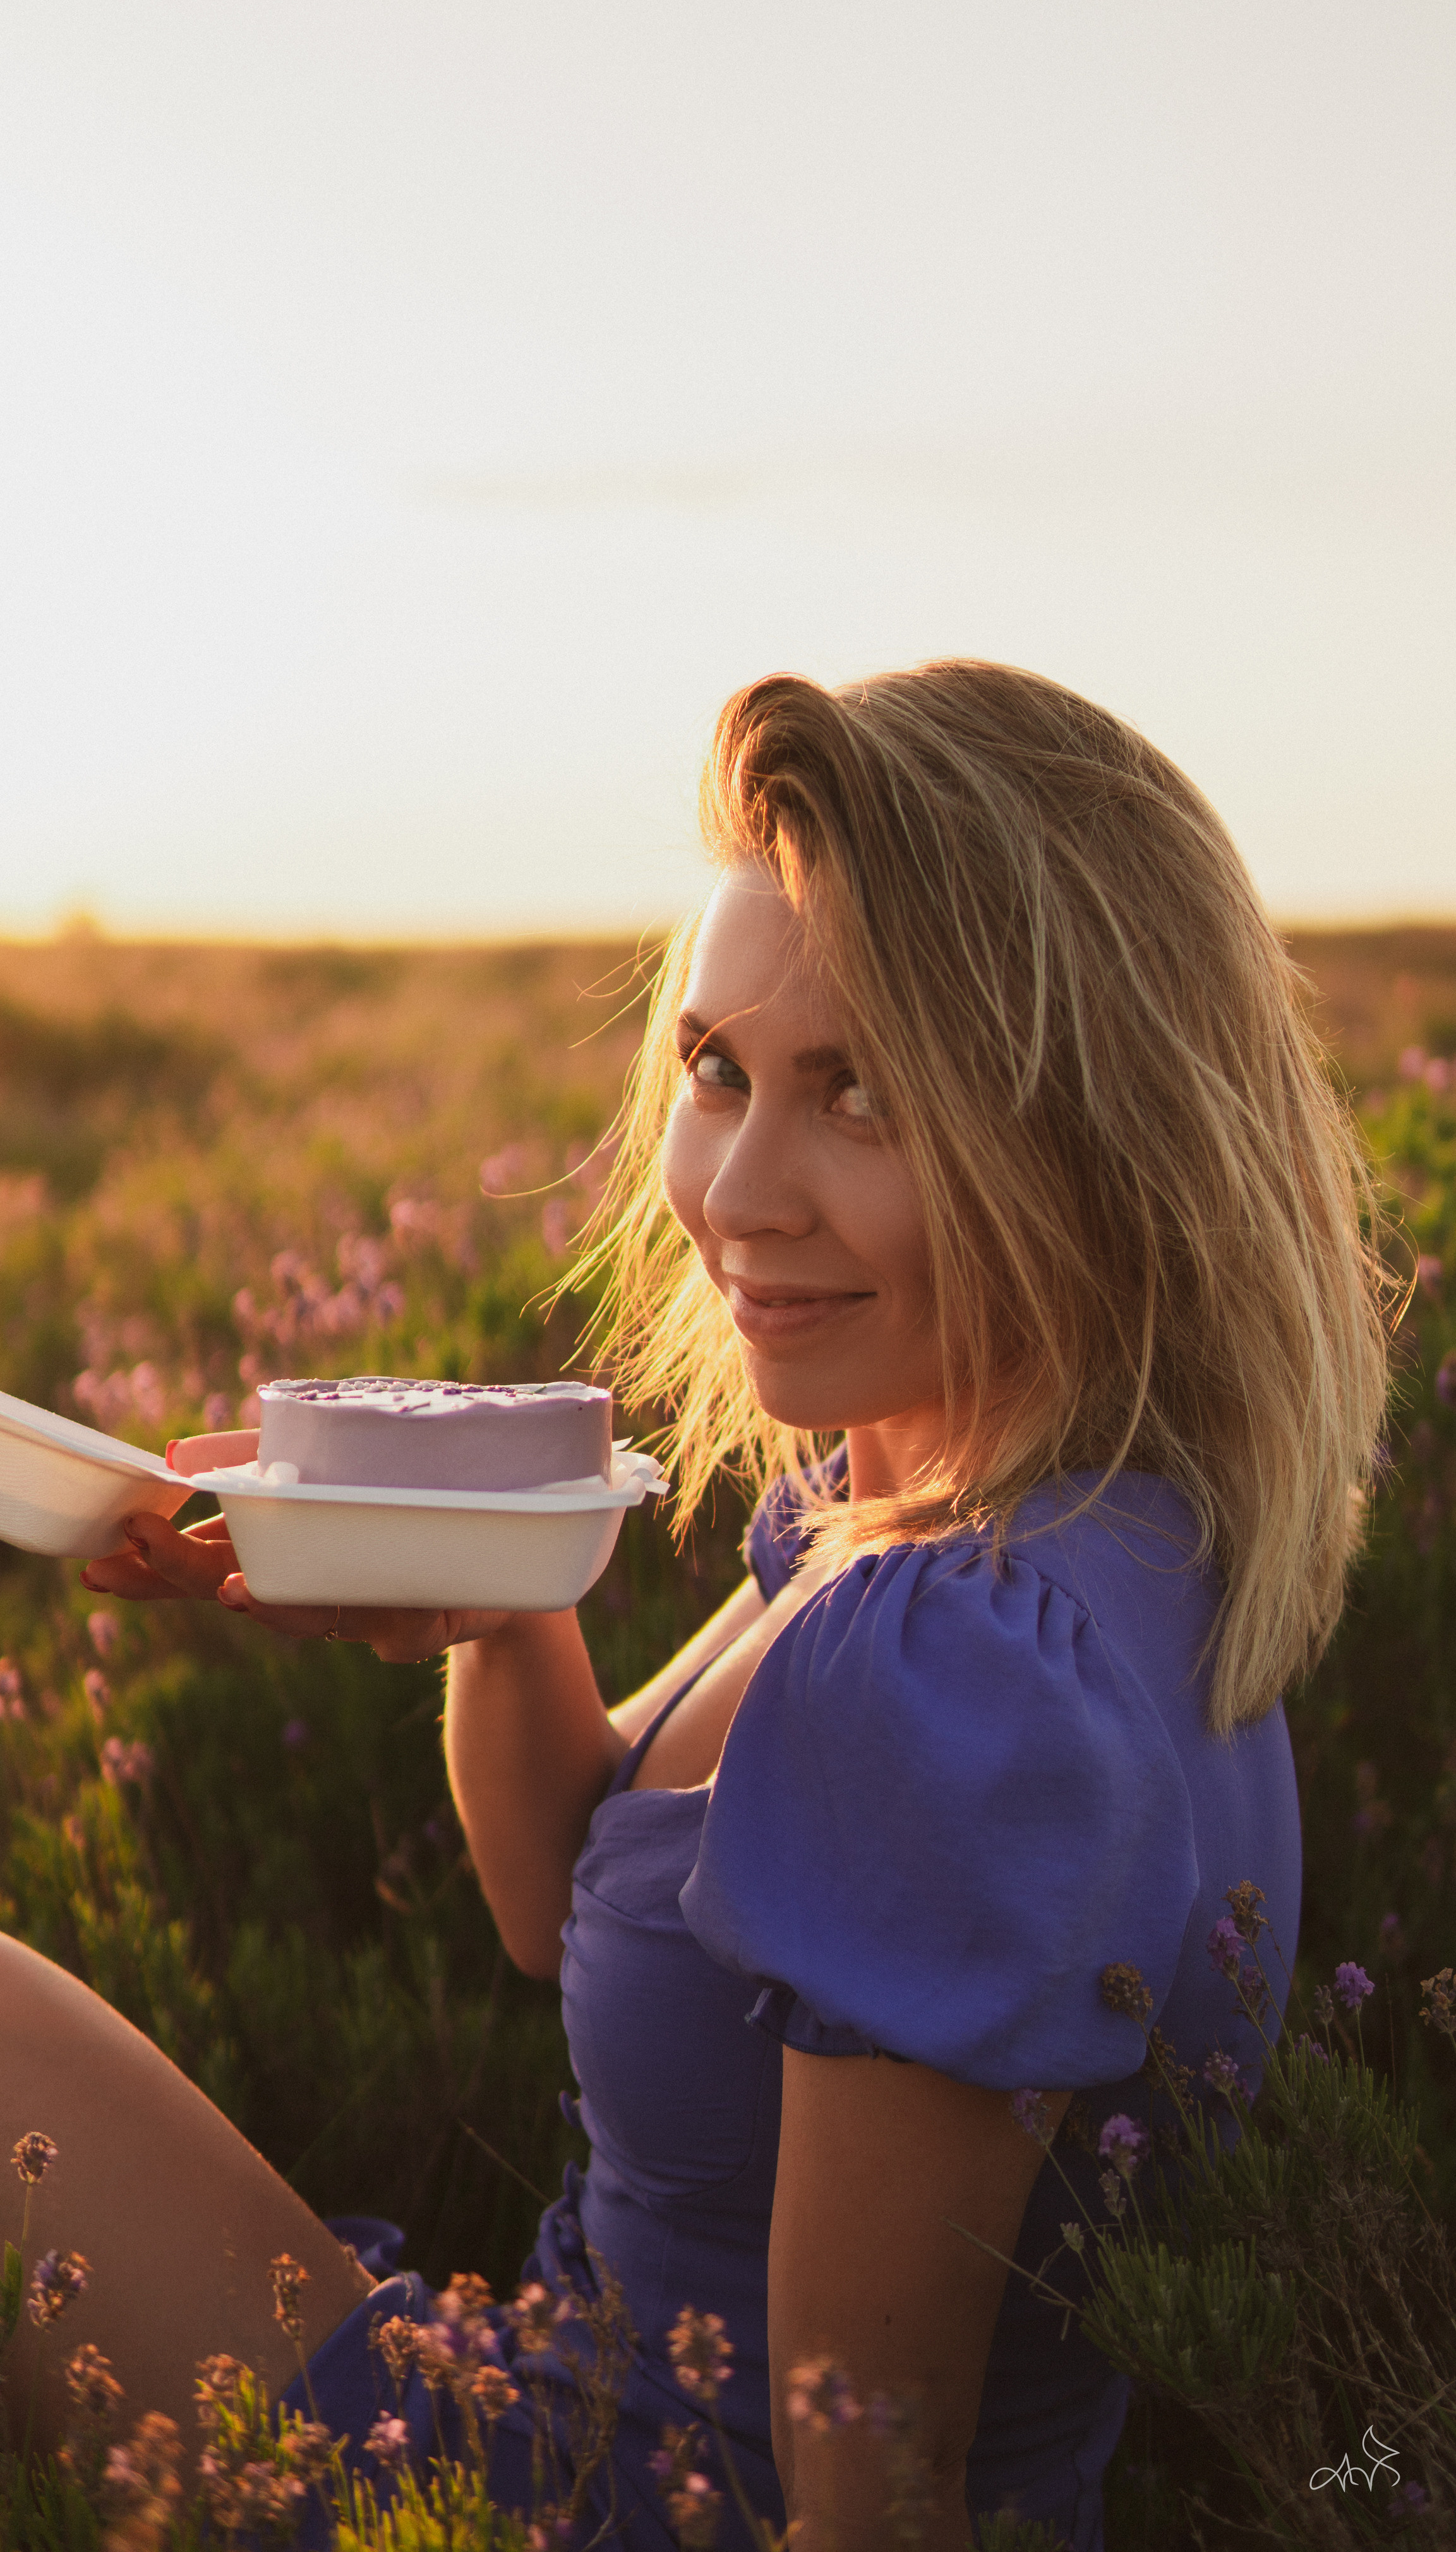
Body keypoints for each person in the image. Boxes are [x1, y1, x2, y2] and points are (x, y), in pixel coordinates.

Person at [11, 661, 1388, 2551]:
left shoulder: (959, 1675)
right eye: (719, 1070)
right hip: (545, 2391)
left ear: (1096, 1134)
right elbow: (556, 1900)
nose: (736, 1191)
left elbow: (870, 2492)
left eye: (865, 1094)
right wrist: (495, 1603)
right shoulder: (983, 1514)